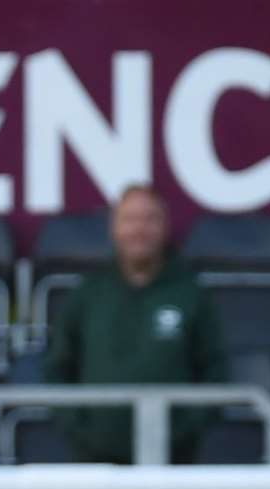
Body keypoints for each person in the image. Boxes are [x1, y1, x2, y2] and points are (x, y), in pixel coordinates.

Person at [43, 185, 227, 464]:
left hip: (173, 462)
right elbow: (57, 370)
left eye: (149, 219)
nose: (139, 229)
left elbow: (216, 372)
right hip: (95, 464)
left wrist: (182, 433)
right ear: (113, 228)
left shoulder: (190, 294)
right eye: (129, 219)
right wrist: (83, 432)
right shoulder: (88, 293)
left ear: (165, 227)